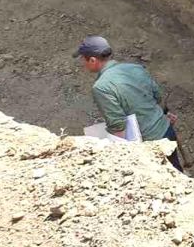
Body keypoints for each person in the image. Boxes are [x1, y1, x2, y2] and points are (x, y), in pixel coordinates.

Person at [75, 36, 184, 172]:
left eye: (82, 59)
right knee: (177, 171)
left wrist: (121, 157)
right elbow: (157, 96)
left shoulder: (101, 87)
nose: (82, 63)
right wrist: (162, 116)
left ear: (92, 60)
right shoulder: (135, 68)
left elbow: (118, 125)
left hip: (150, 144)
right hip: (166, 130)